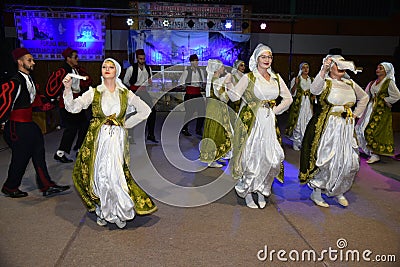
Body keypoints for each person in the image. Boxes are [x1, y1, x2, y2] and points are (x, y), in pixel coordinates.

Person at [63, 58, 157, 228]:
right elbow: (73, 107)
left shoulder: (124, 93)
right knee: (100, 175)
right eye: (104, 67)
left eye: (110, 67)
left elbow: (145, 110)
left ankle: (118, 211)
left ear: (117, 71)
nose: (107, 69)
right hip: (99, 140)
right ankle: (103, 209)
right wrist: (68, 89)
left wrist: (126, 124)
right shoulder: (94, 92)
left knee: (116, 176)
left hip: (117, 140)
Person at [226, 43, 293, 209]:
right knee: (251, 157)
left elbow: (288, 98)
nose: (267, 60)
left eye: (270, 57)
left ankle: (263, 188)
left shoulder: (276, 78)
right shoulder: (249, 77)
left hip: (268, 121)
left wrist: (275, 111)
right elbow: (235, 98)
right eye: (263, 56)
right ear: (256, 59)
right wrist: (228, 84)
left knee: (272, 157)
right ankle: (247, 191)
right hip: (251, 122)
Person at [299, 55, 369, 208]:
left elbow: (364, 97)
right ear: (331, 67)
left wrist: (356, 114)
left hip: (346, 127)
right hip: (328, 126)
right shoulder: (325, 82)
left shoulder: (350, 83)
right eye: (337, 65)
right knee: (326, 159)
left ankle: (338, 191)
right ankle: (317, 192)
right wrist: (323, 70)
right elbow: (314, 90)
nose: (341, 68)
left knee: (347, 160)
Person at [0, 48, 70, 198]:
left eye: (32, 60)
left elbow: (30, 101)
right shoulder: (14, 82)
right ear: (20, 62)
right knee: (21, 158)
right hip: (16, 126)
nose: (33, 62)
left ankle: (46, 186)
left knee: (38, 152)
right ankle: (10, 187)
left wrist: (44, 106)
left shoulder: (29, 79)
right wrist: (2, 122)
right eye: (29, 60)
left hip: (28, 124)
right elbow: (5, 103)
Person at [46, 47, 93, 163]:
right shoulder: (63, 71)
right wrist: (57, 96)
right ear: (68, 59)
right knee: (71, 128)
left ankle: (78, 148)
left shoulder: (75, 70)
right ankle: (61, 152)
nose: (77, 59)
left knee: (84, 125)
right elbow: (54, 86)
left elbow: (84, 82)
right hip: (67, 104)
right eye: (75, 57)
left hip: (77, 102)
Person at [355, 62, 400, 163]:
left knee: (372, 131)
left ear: (386, 71)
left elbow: (397, 95)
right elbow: (366, 95)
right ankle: (367, 150)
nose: (378, 69)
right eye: (378, 67)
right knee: (361, 128)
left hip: (381, 112)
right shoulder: (372, 83)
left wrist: (386, 100)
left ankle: (375, 154)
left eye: (381, 68)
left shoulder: (389, 82)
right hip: (370, 109)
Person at [199, 59, 233, 168]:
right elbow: (223, 97)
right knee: (215, 132)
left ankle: (217, 155)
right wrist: (228, 89)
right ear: (217, 69)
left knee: (216, 131)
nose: (223, 68)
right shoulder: (216, 80)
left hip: (213, 108)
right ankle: (211, 159)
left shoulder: (213, 79)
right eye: (222, 67)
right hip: (216, 109)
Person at [123, 49, 158, 143]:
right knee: (132, 113)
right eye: (140, 59)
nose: (142, 61)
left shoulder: (148, 68)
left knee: (152, 111)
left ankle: (151, 134)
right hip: (134, 92)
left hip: (144, 92)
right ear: (137, 58)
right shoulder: (131, 69)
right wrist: (132, 88)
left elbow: (150, 81)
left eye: (143, 59)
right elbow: (125, 81)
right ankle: (130, 135)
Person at [285, 62, 314, 151]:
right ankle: (297, 142)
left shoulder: (312, 80)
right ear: (300, 69)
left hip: (308, 105)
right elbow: (292, 93)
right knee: (298, 122)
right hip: (299, 105)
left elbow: (314, 92)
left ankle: (305, 142)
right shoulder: (296, 79)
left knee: (308, 121)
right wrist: (296, 84)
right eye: (303, 68)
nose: (306, 69)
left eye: (307, 67)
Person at [178, 54, 206, 136]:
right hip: (190, 93)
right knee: (189, 113)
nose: (197, 62)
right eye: (195, 60)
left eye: (197, 60)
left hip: (198, 92)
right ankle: (184, 128)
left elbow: (203, 82)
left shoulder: (200, 71)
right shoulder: (187, 71)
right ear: (191, 62)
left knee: (202, 111)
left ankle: (198, 129)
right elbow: (181, 82)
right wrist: (187, 85)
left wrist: (202, 85)